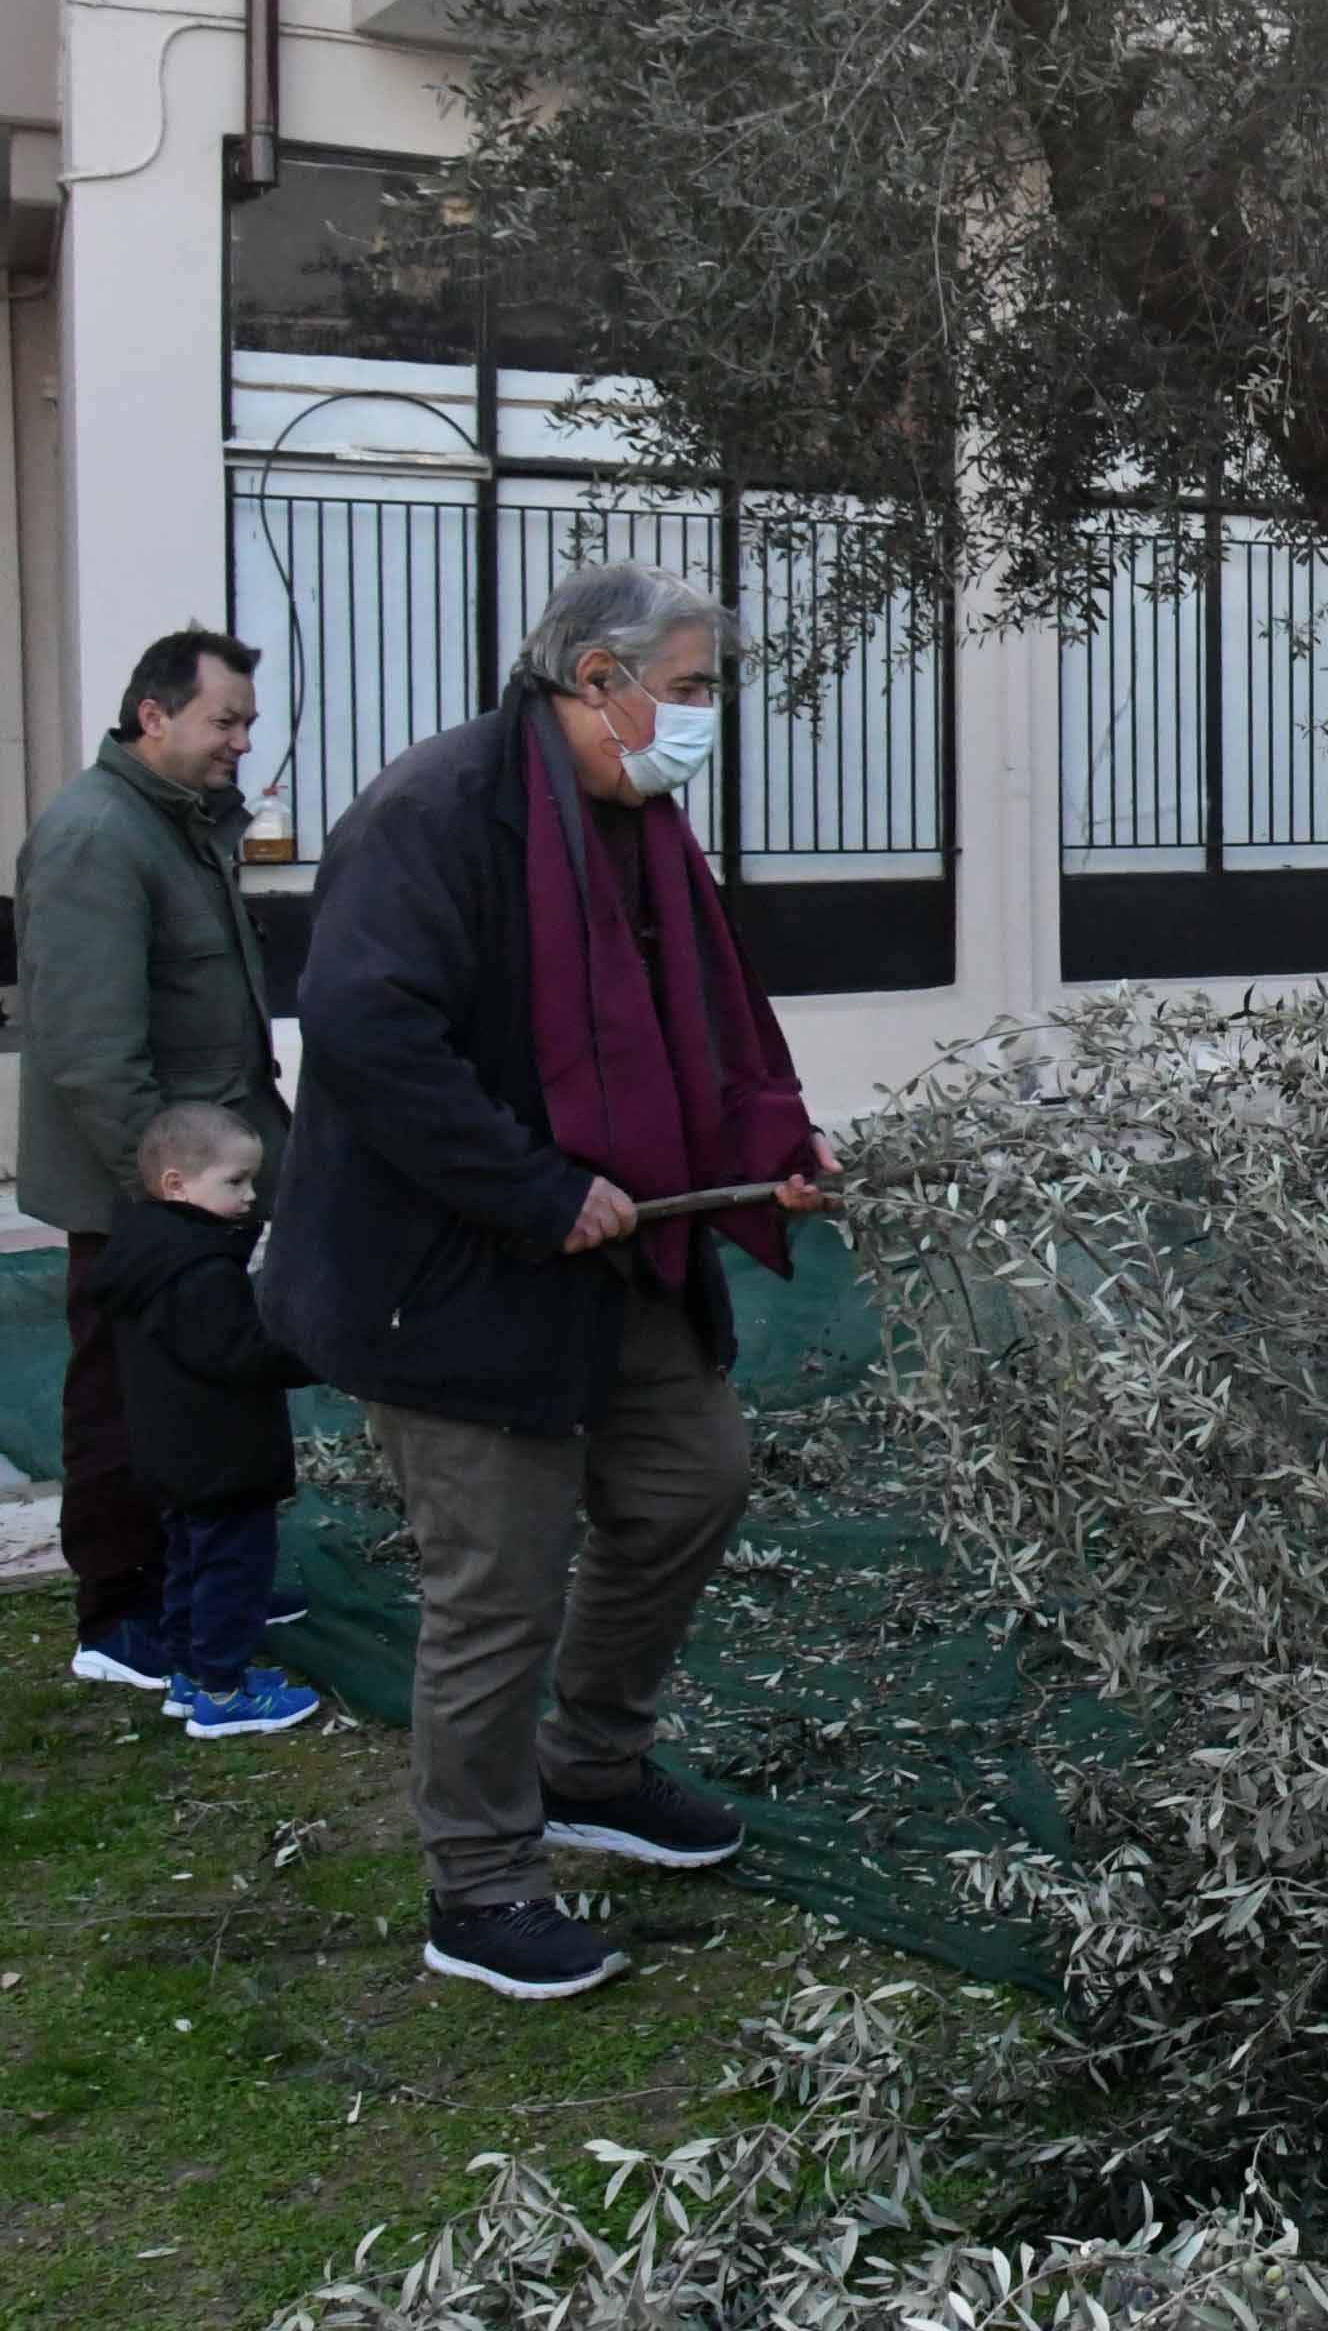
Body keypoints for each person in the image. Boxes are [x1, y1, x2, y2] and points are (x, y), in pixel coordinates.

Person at [263, 565, 833, 2004]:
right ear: (597, 679)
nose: (705, 719)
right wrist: (527, 1187)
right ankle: (482, 1883)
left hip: (620, 1249)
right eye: (691, 690)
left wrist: (775, 1148)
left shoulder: (637, 825)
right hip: (453, 1273)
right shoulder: (437, 815)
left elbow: (702, 1026)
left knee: (694, 1480)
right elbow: (366, 1035)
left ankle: (592, 1763)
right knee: (492, 1585)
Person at [15, 627, 296, 1693]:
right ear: (155, 718)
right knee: (123, 1402)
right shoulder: (100, 836)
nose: (242, 742)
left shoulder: (176, 825)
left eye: (247, 723)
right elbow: (92, 1053)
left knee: (196, 1398)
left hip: (189, 1189)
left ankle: (200, 1582)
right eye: (226, 721)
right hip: (141, 1196)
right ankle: (121, 1615)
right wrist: (166, 1202)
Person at [95, 1101, 322, 1741]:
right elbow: (238, 1354)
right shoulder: (199, 1270)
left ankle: (190, 1675)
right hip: (223, 1458)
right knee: (233, 1571)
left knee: (188, 1564)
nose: (250, 1196)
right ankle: (223, 1693)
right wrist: (313, 1353)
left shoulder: (145, 1253)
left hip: (172, 1453)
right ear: (176, 1184)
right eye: (235, 1182)